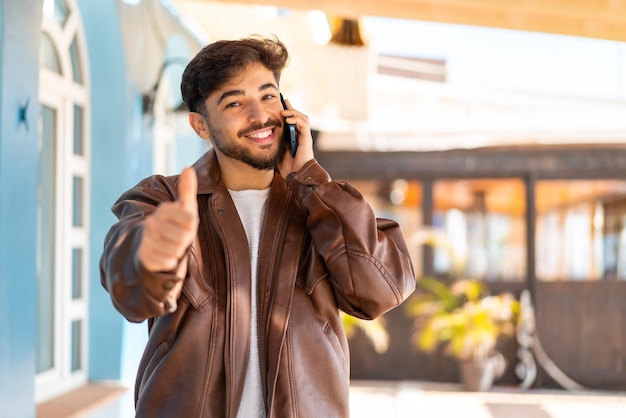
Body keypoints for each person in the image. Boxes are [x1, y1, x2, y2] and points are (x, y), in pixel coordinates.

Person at [100, 36, 416, 418]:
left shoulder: (322, 203)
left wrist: (311, 182)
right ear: (200, 124)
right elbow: (129, 287)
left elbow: (381, 290)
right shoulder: (163, 198)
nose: (259, 115)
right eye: (234, 102)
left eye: (268, 96)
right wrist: (149, 254)